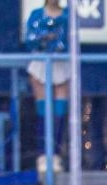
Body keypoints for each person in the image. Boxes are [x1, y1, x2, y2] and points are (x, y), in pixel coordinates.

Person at [23, 0, 68, 156]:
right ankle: (43, 154)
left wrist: (56, 40)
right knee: (43, 109)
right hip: (40, 63)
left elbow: (68, 40)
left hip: (62, 63)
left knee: (60, 109)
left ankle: (55, 152)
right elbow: (30, 40)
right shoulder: (36, 14)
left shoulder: (68, 15)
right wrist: (44, 37)